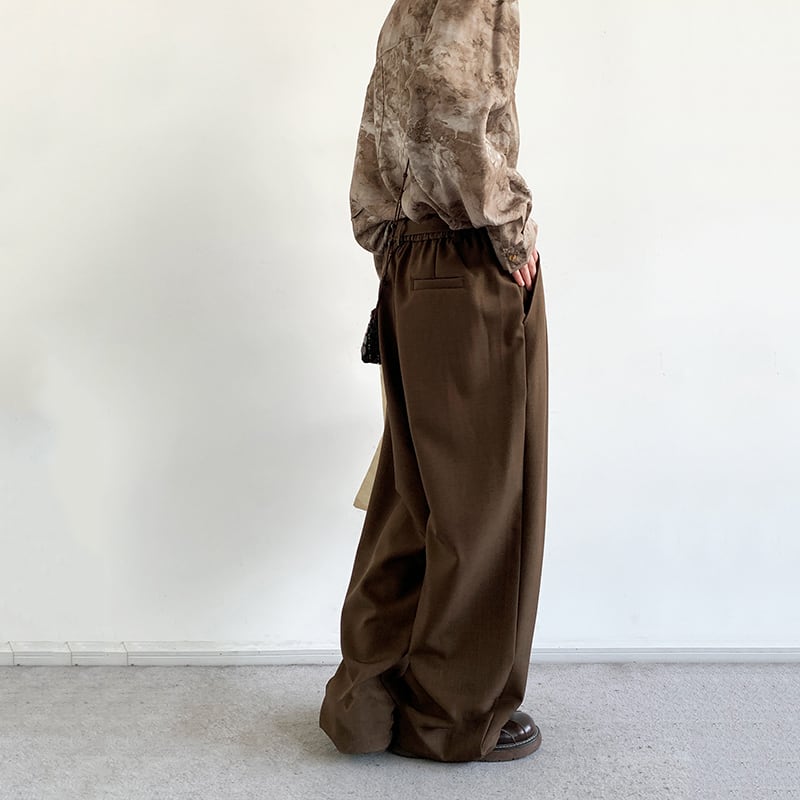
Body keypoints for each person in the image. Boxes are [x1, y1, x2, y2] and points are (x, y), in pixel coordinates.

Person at [319, 0, 549, 763]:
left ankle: (367, 701)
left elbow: (386, 112)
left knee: (409, 496)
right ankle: (451, 714)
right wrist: (511, 231)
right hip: (467, 258)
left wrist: (387, 243)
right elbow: (456, 99)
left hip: (409, 264)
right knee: (484, 508)